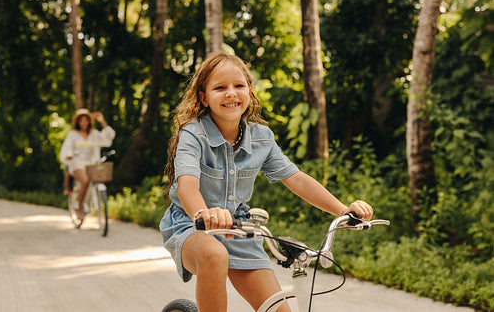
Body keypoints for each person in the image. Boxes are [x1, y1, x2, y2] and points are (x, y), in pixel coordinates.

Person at [160, 53, 373, 312]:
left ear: (249, 90)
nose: (231, 93)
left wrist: (343, 210)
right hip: (191, 225)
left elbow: (297, 179)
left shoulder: (261, 138)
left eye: (239, 86)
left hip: (239, 228)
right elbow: (187, 186)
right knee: (214, 255)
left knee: (279, 310)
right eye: (219, 87)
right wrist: (204, 213)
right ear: (204, 97)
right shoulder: (193, 133)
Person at [59, 108, 116, 221]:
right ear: (78, 122)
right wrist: (69, 155)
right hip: (77, 163)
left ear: (89, 121)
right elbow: (67, 148)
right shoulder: (73, 134)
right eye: (81, 120)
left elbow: (108, 139)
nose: (84, 123)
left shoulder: (94, 134)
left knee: (97, 181)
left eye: (86, 120)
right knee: (85, 181)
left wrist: (102, 121)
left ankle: (89, 204)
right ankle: (79, 209)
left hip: (91, 164)